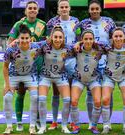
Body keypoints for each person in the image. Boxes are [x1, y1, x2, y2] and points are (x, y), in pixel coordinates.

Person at [74, 0, 116, 130]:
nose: (94, 11)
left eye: (96, 8)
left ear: (100, 9)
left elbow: (114, 39)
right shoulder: (83, 23)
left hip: (106, 61)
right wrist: (78, 43)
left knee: (108, 92)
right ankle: (92, 122)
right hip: (90, 61)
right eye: (92, 9)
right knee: (90, 92)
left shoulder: (109, 22)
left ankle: (107, 122)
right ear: (89, 10)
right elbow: (77, 38)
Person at [8, 0, 47, 131]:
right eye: (29, 8)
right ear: (25, 10)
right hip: (22, 65)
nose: (32, 10)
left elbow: (46, 43)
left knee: (37, 95)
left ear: (38, 10)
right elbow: (10, 42)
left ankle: (35, 120)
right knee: (21, 92)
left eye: (34, 8)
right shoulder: (19, 24)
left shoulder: (43, 24)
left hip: (39, 64)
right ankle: (19, 121)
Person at [46, 0, 79, 130]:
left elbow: (80, 38)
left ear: (69, 8)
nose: (64, 9)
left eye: (66, 7)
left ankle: (70, 120)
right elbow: (48, 40)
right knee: (55, 92)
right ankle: (54, 121)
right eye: (62, 7)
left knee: (69, 91)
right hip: (56, 60)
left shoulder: (76, 22)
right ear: (58, 9)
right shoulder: (51, 23)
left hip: (71, 60)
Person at [2, 24, 39, 134]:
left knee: (34, 97)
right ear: (18, 38)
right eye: (22, 38)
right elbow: (5, 67)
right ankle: (9, 126)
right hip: (14, 75)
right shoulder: (11, 49)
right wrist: (7, 85)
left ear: (30, 38)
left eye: (26, 38)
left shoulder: (36, 47)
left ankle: (32, 126)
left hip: (30, 75)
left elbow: (51, 42)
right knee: (7, 97)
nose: (24, 40)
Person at [36, 26, 71, 134]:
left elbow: (82, 47)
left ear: (63, 38)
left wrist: (79, 44)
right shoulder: (44, 46)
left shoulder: (68, 48)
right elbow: (30, 44)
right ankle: (42, 126)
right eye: (55, 37)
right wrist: (16, 41)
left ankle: (64, 126)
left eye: (60, 37)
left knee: (67, 100)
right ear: (51, 37)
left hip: (60, 76)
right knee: (41, 99)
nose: (58, 39)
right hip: (45, 76)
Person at [101, 27, 125, 134]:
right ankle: (106, 125)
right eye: (116, 36)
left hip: (123, 76)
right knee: (106, 99)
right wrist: (79, 43)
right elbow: (92, 43)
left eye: (120, 36)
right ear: (112, 38)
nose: (118, 38)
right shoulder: (107, 47)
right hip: (109, 76)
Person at [70, 30, 103, 134]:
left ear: (94, 40)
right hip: (79, 79)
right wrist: (77, 43)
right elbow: (65, 46)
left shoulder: (99, 49)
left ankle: (94, 126)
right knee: (74, 101)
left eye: (90, 39)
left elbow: (111, 43)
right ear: (82, 40)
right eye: (86, 39)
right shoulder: (77, 49)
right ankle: (76, 126)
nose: (88, 41)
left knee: (97, 102)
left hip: (93, 79)